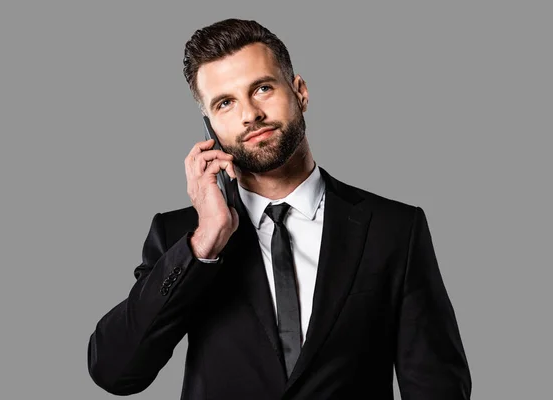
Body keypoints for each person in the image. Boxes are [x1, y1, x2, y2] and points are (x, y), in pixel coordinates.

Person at [87, 18, 472, 399]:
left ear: (300, 91)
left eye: (263, 88)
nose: (250, 114)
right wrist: (205, 243)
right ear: (210, 128)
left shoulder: (394, 229)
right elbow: (115, 372)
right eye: (225, 103)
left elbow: (437, 386)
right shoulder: (181, 238)